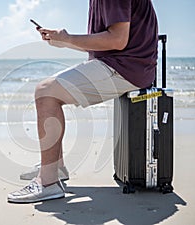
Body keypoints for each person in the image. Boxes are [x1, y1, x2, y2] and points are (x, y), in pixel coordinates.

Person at [8, 0, 158, 203]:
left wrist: (68, 38)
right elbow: (109, 42)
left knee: (46, 92)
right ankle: (56, 167)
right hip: (128, 65)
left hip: (126, 68)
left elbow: (118, 40)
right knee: (48, 90)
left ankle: (48, 182)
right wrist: (64, 41)